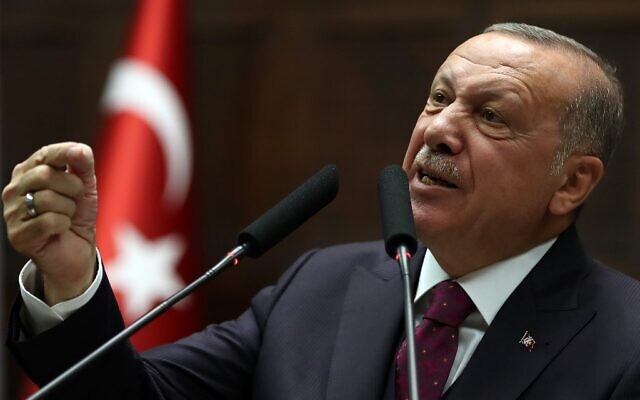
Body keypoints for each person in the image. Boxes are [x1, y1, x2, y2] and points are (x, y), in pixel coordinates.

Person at [4, 22, 640, 399]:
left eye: (492, 116)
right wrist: (67, 272)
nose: (440, 129)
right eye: (438, 98)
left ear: (573, 183)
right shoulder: (322, 288)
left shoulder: (626, 345)